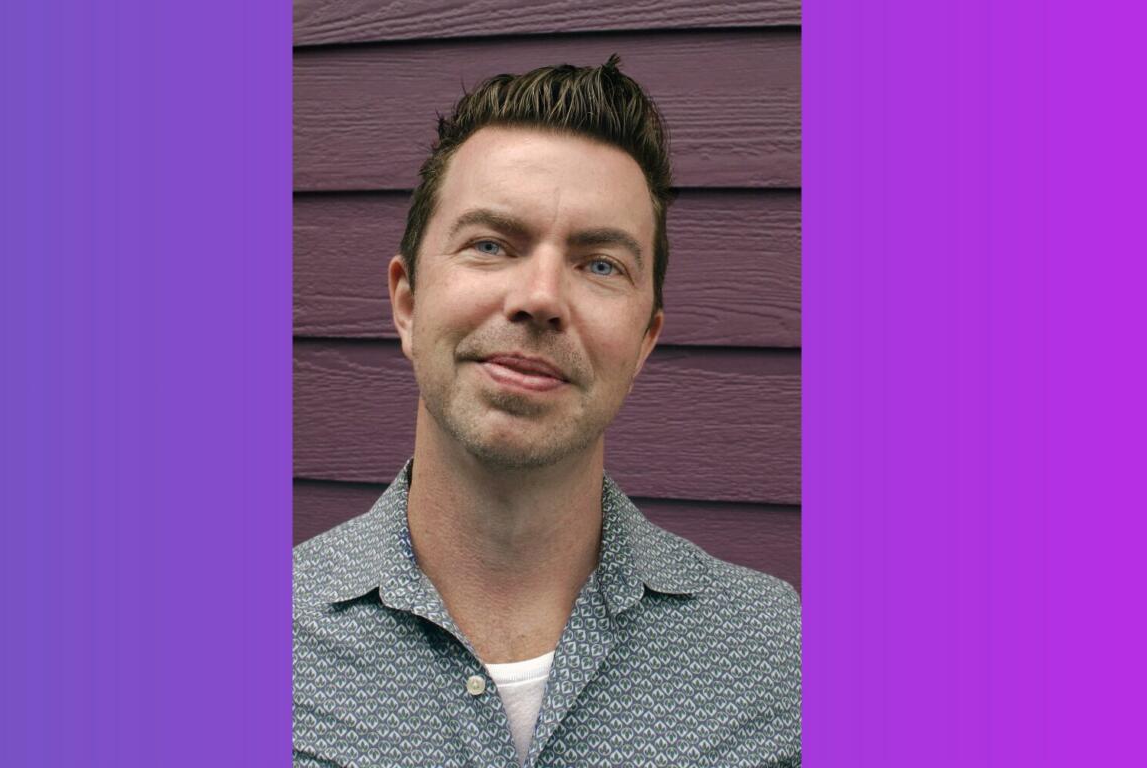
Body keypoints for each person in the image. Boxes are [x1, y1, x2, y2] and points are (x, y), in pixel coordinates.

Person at [293, 56, 801, 767]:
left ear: (645, 340)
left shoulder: (780, 659)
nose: (540, 297)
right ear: (407, 303)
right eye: (491, 244)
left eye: (600, 264)